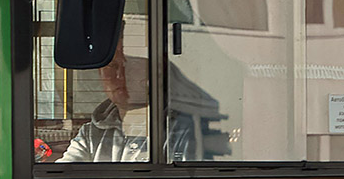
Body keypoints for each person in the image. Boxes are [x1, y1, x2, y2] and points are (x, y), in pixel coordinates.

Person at [58, 43, 223, 163]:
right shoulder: (92, 133)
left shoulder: (182, 128)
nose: (120, 75)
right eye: (112, 66)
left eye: (129, 66)